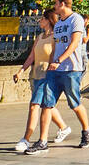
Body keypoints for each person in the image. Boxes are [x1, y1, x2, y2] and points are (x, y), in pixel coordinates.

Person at [27, 0, 89, 152]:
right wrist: (52, 62)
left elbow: (75, 43)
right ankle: (42, 142)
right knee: (47, 105)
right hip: (54, 71)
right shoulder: (58, 25)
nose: (54, 6)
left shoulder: (76, 19)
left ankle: (86, 131)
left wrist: (59, 60)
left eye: (56, 3)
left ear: (62, 4)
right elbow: (56, 46)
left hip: (71, 69)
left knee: (75, 104)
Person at [13, 10, 72, 152]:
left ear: (48, 20)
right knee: (48, 106)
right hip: (36, 76)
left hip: (48, 77)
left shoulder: (55, 37)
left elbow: (55, 57)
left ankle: (26, 139)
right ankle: (64, 128)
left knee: (34, 105)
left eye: (41, 19)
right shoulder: (39, 37)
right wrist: (21, 70)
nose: (39, 21)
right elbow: (32, 56)